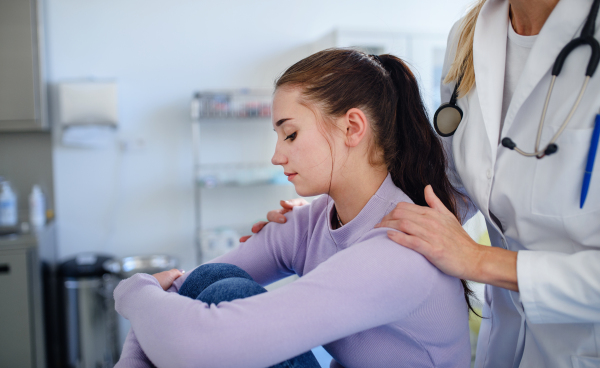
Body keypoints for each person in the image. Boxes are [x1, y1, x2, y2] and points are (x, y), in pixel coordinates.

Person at [252, 0, 600, 367]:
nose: (279, 154)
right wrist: (342, 215)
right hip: (503, 339)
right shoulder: (469, 37)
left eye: (289, 135)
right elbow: (455, 186)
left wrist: (480, 260)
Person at [113, 49, 474, 368]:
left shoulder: (399, 247)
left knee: (224, 300)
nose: (276, 156)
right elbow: (180, 288)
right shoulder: (312, 221)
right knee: (210, 281)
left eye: (290, 135)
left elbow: (202, 346)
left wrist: (131, 292)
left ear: (351, 127)